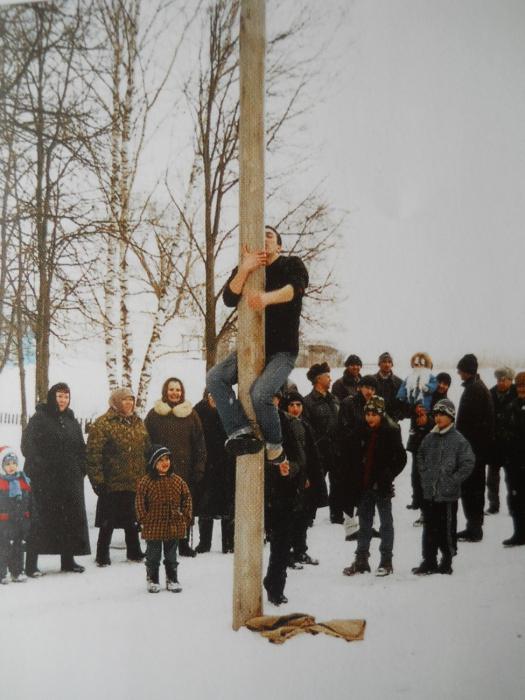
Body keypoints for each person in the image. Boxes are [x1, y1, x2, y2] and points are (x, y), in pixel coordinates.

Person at [206, 226, 308, 467]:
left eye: (269, 235)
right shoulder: (248, 268)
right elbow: (229, 298)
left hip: (282, 350)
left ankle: (275, 446)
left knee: (260, 393)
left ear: (279, 246)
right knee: (215, 377)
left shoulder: (291, 264)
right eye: (260, 234)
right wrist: (245, 268)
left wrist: (265, 298)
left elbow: (294, 291)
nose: (264, 238)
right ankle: (240, 431)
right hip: (250, 347)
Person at [21, 383, 90, 576]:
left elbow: (80, 447)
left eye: (66, 397)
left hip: (69, 480)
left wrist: (80, 468)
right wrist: (39, 465)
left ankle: (68, 561)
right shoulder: (40, 418)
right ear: (52, 397)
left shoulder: (71, 420)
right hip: (46, 481)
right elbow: (27, 444)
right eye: (60, 396)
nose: (63, 400)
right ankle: (31, 565)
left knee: (68, 519)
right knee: (40, 520)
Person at [342, 396, 407, 577]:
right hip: (364, 485)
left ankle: (386, 560)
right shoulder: (361, 429)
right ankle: (361, 559)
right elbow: (353, 453)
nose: (370, 418)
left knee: (386, 523)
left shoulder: (391, 430)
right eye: (367, 414)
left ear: (381, 414)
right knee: (365, 523)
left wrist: (388, 475)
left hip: (382, 486)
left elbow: (401, 458)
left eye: (374, 414)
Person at [87, 387, 150, 566]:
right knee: (108, 520)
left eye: (131, 400)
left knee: (132, 519)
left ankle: (134, 551)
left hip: (134, 480)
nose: (129, 403)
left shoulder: (138, 422)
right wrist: (97, 480)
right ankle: (102, 554)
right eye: (124, 400)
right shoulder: (103, 423)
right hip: (111, 482)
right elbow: (94, 454)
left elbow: (146, 448)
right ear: (115, 402)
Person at [145, 377, 206, 557]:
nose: (174, 393)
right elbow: (146, 443)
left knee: (183, 508)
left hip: (184, 471)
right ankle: (157, 543)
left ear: (182, 392)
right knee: (158, 507)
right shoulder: (154, 415)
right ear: (165, 392)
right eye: (171, 389)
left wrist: (199, 467)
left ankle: (183, 543)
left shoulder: (191, 415)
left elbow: (200, 444)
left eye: (178, 390)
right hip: (159, 472)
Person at [413, 399, 475, 575]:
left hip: (447, 495)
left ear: (451, 417)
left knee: (446, 529)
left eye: (442, 415)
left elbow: (468, 462)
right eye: (436, 415)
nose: (438, 418)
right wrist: (424, 474)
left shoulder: (458, 440)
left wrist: (453, 480)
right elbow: (420, 456)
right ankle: (429, 559)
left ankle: (447, 559)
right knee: (429, 528)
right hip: (430, 493)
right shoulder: (429, 438)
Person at [135, 445, 192, 593]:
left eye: (167, 459)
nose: (165, 463)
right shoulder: (146, 482)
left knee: (171, 555)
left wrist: (185, 515)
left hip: (173, 524)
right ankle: (152, 579)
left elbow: (187, 498)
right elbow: (140, 501)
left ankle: (172, 578)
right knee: (153, 555)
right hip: (153, 524)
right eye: (160, 460)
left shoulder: (178, 481)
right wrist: (143, 518)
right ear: (153, 463)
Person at [280, 391, 325, 567]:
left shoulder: (305, 424)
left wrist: (310, 475)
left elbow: (309, 453)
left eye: (298, 405)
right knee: (291, 516)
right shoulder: (285, 426)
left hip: (305, 476)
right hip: (291, 477)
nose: (295, 409)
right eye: (291, 405)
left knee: (303, 516)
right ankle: (289, 553)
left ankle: (300, 550)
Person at [455, 354, 495, 542]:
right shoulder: (475, 387)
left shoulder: (475, 390)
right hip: (475, 450)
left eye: (460, 369)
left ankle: (474, 528)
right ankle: (473, 526)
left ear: (467, 371)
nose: (458, 373)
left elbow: (474, 425)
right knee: (472, 489)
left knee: (472, 490)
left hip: (474, 451)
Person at [193, 390, 235, 554]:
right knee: (205, 504)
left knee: (227, 504)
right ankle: (204, 542)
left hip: (226, 464)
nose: (214, 397)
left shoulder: (230, 410)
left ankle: (228, 542)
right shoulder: (198, 411)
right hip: (206, 463)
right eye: (211, 394)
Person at [339, 374, 380, 541]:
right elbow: (343, 429)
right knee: (349, 491)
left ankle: (367, 526)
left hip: (368, 454)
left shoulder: (374, 404)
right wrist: (359, 434)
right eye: (366, 387)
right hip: (350, 454)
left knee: (368, 491)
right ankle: (350, 529)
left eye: (372, 388)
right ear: (359, 387)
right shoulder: (348, 403)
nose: (369, 391)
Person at [302, 362, 342, 523]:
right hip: (319, 451)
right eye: (327, 376)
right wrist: (317, 445)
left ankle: (337, 515)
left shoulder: (335, 400)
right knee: (315, 483)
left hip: (336, 450)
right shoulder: (307, 402)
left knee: (338, 483)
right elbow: (307, 428)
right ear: (319, 379)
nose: (330, 379)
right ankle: (308, 517)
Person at [486, 366, 516, 514]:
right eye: (498, 379)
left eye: (504, 379)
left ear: (511, 380)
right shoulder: (491, 393)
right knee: (492, 479)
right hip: (495, 444)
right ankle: (493, 505)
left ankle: (514, 506)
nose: (500, 382)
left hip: (513, 445)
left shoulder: (519, 393)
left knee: (513, 479)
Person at [0, 447, 31, 584]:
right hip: (4, 521)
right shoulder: (1, 483)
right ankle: (2, 573)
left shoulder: (23, 480)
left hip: (20, 520)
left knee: (18, 547)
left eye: (13, 463)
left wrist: (28, 515)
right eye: (7, 464)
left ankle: (17, 572)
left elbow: (29, 499)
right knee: (4, 547)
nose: (11, 467)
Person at [502, 371, 525, 546]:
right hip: (514, 462)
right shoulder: (512, 406)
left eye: (524, 385)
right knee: (515, 498)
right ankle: (519, 532)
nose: (521, 389)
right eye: (518, 385)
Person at [405, 401, 435, 521]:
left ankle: (425, 513)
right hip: (416, 451)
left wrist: (427, 421)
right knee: (415, 478)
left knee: (424, 482)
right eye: (418, 406)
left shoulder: (430, 418)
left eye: (423, 407)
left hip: (427, 454)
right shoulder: (414, 416)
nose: (420, 409)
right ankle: (417, 501)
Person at [374, 352, 403, 421]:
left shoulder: (399, 382)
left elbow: (402, 403)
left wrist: (398, 416)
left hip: (393, 420)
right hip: (375, 419)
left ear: (392, 364)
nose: (387, 364)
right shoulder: (372, 380)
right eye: (384, 362)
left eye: (389, 362)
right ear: (379, 364)